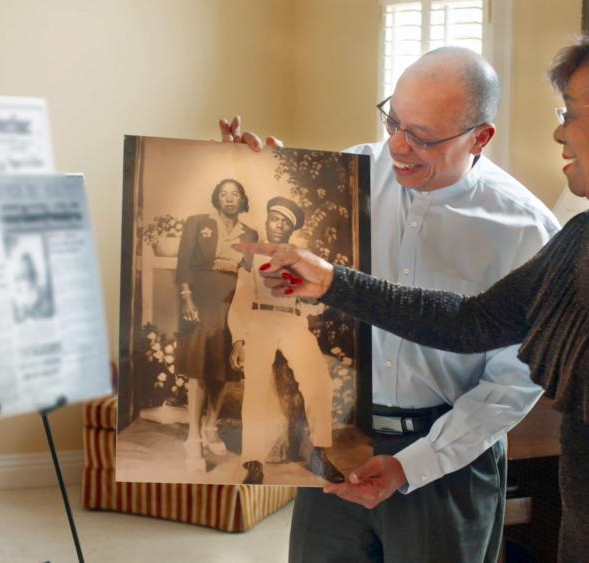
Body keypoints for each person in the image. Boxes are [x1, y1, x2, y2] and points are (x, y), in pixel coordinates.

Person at [239, 29, 589, 562]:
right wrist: (335, 281)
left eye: (573, 114)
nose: (560, 131)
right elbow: (469, 322)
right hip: (588, 540)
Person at [222, 45, 558, 562]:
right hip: (336, 441)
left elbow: (515, 379)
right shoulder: (347, 175)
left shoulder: (527, 232)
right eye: (393, 122)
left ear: (481, 137)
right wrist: (246, 174)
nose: (398, 146)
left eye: (421, 137)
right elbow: (276, 252)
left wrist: (414, 464)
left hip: (449, 458)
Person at [227, 196, 344, 485]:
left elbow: (314, 299)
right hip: (259, 321)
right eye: (275, 219)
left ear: (291, 230)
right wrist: (238, 338)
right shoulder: (252, 255)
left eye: (285, 222)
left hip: (293, 321)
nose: (278, 225)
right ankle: (253, 461)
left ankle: (319, 453)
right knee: (255, 387)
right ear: (266, 222)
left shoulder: (302, 258)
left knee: (319, 382)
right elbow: (241, 296)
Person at [174, 178, 258, 473]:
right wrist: (187, 299)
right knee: (199, 367)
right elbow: (184, 262)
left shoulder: (250, 233)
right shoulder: (198, 223)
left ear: (242, 200)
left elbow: (249, 275)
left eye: (235, 193)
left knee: (224, 367)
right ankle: (193, 438)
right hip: (201, 297)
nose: (229, 198)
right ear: (216, 198)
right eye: (223, 193)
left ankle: (211, 426)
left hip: (231, 302)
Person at [10, 251, 54, 322]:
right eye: (23, 265)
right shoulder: (17, 282)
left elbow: (41, 300)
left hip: (37, 313)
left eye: (27, 265)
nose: (25, 268)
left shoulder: (37, 284)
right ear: (20, 266)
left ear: (31, 265)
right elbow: (17, 300)